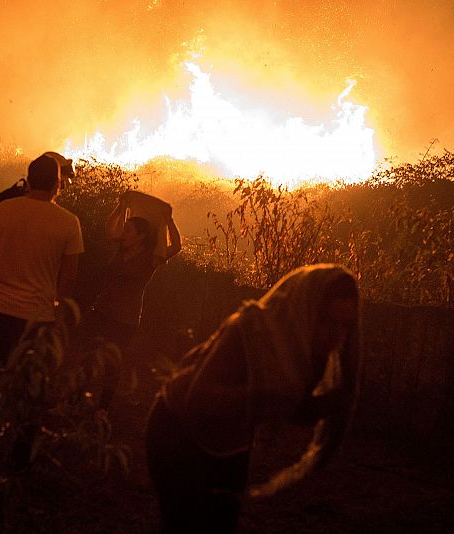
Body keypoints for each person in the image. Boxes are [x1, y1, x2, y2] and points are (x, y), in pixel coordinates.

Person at [145, 264, 360, 533]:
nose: (337, 336)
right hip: (176, 433)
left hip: (229, 445)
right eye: (327, 321)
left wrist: (324, 406)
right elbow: (198, 401)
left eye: (345, 326)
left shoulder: (303, 350)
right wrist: (263, 398)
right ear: (307, 311)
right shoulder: (248, 330)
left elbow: (287, 405)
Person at [0, 152, 84, 366]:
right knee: (24, 378)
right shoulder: (69, 222)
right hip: (38, 318)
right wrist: (55, 308)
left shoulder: (3, 209)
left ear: (30, 179)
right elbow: (69, 277)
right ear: (57, 184)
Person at [83, 191, 182, 408]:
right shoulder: (122, 248)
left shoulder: (150, 258)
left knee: (112, 364)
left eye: (128, 230)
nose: (124, 232)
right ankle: (77, 400)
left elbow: (176, 246)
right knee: (90, 355)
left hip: (124, 318)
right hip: (103, 309)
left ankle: (102, 409)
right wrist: (120, 207)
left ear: (140, 236)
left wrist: (169, 221)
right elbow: (110, 228)